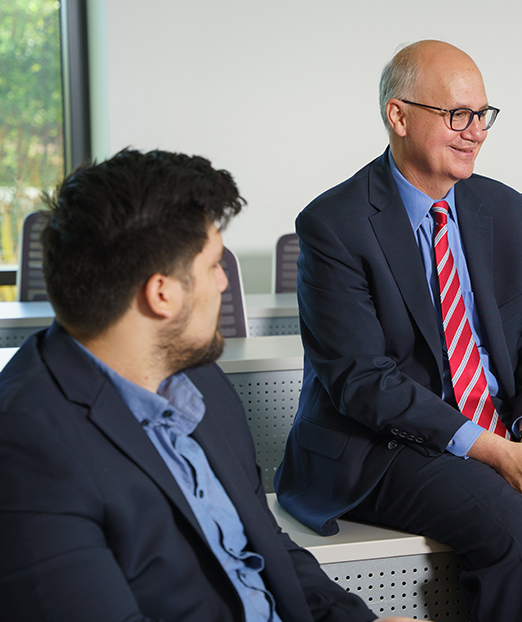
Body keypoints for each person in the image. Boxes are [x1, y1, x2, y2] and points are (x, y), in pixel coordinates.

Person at [274, 40, 522, 622]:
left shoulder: (506, 210)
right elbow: (362, 381)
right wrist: (492, 451)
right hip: (387, 442)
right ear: (398, 116)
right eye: (457, 115)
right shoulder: (333, 224)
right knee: (518, 537)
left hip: (506, 424)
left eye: (483, 115)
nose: (475, 131)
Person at [0, 149, 414, 622]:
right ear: (161, 294)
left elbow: (262, 546)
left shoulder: (200, 384)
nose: (223, 283)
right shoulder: (27, 448)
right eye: (214, 265)